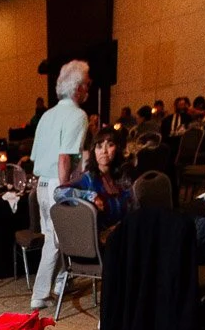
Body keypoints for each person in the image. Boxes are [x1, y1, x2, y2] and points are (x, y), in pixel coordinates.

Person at [29, 59, 90, 310]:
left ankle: (60, 283)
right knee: (56, 241)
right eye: (86, 85)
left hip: (42, 183)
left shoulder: (47, 115)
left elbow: (35, 157)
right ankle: (40, 293)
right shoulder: (78, 115)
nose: (88, 89)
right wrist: (67, 188)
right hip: (58, 181)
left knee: (54, 237)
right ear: (77, 89)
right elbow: (64, 157)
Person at [55, 128, 131, 239]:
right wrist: (90, 196)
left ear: (118, 149)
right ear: (94, 150)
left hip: (123, 235)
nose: (104, 151)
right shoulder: (88, 177)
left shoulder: (121, 177)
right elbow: (58, 193)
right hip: (100, 242)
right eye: (99, 146)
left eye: (110, 145)